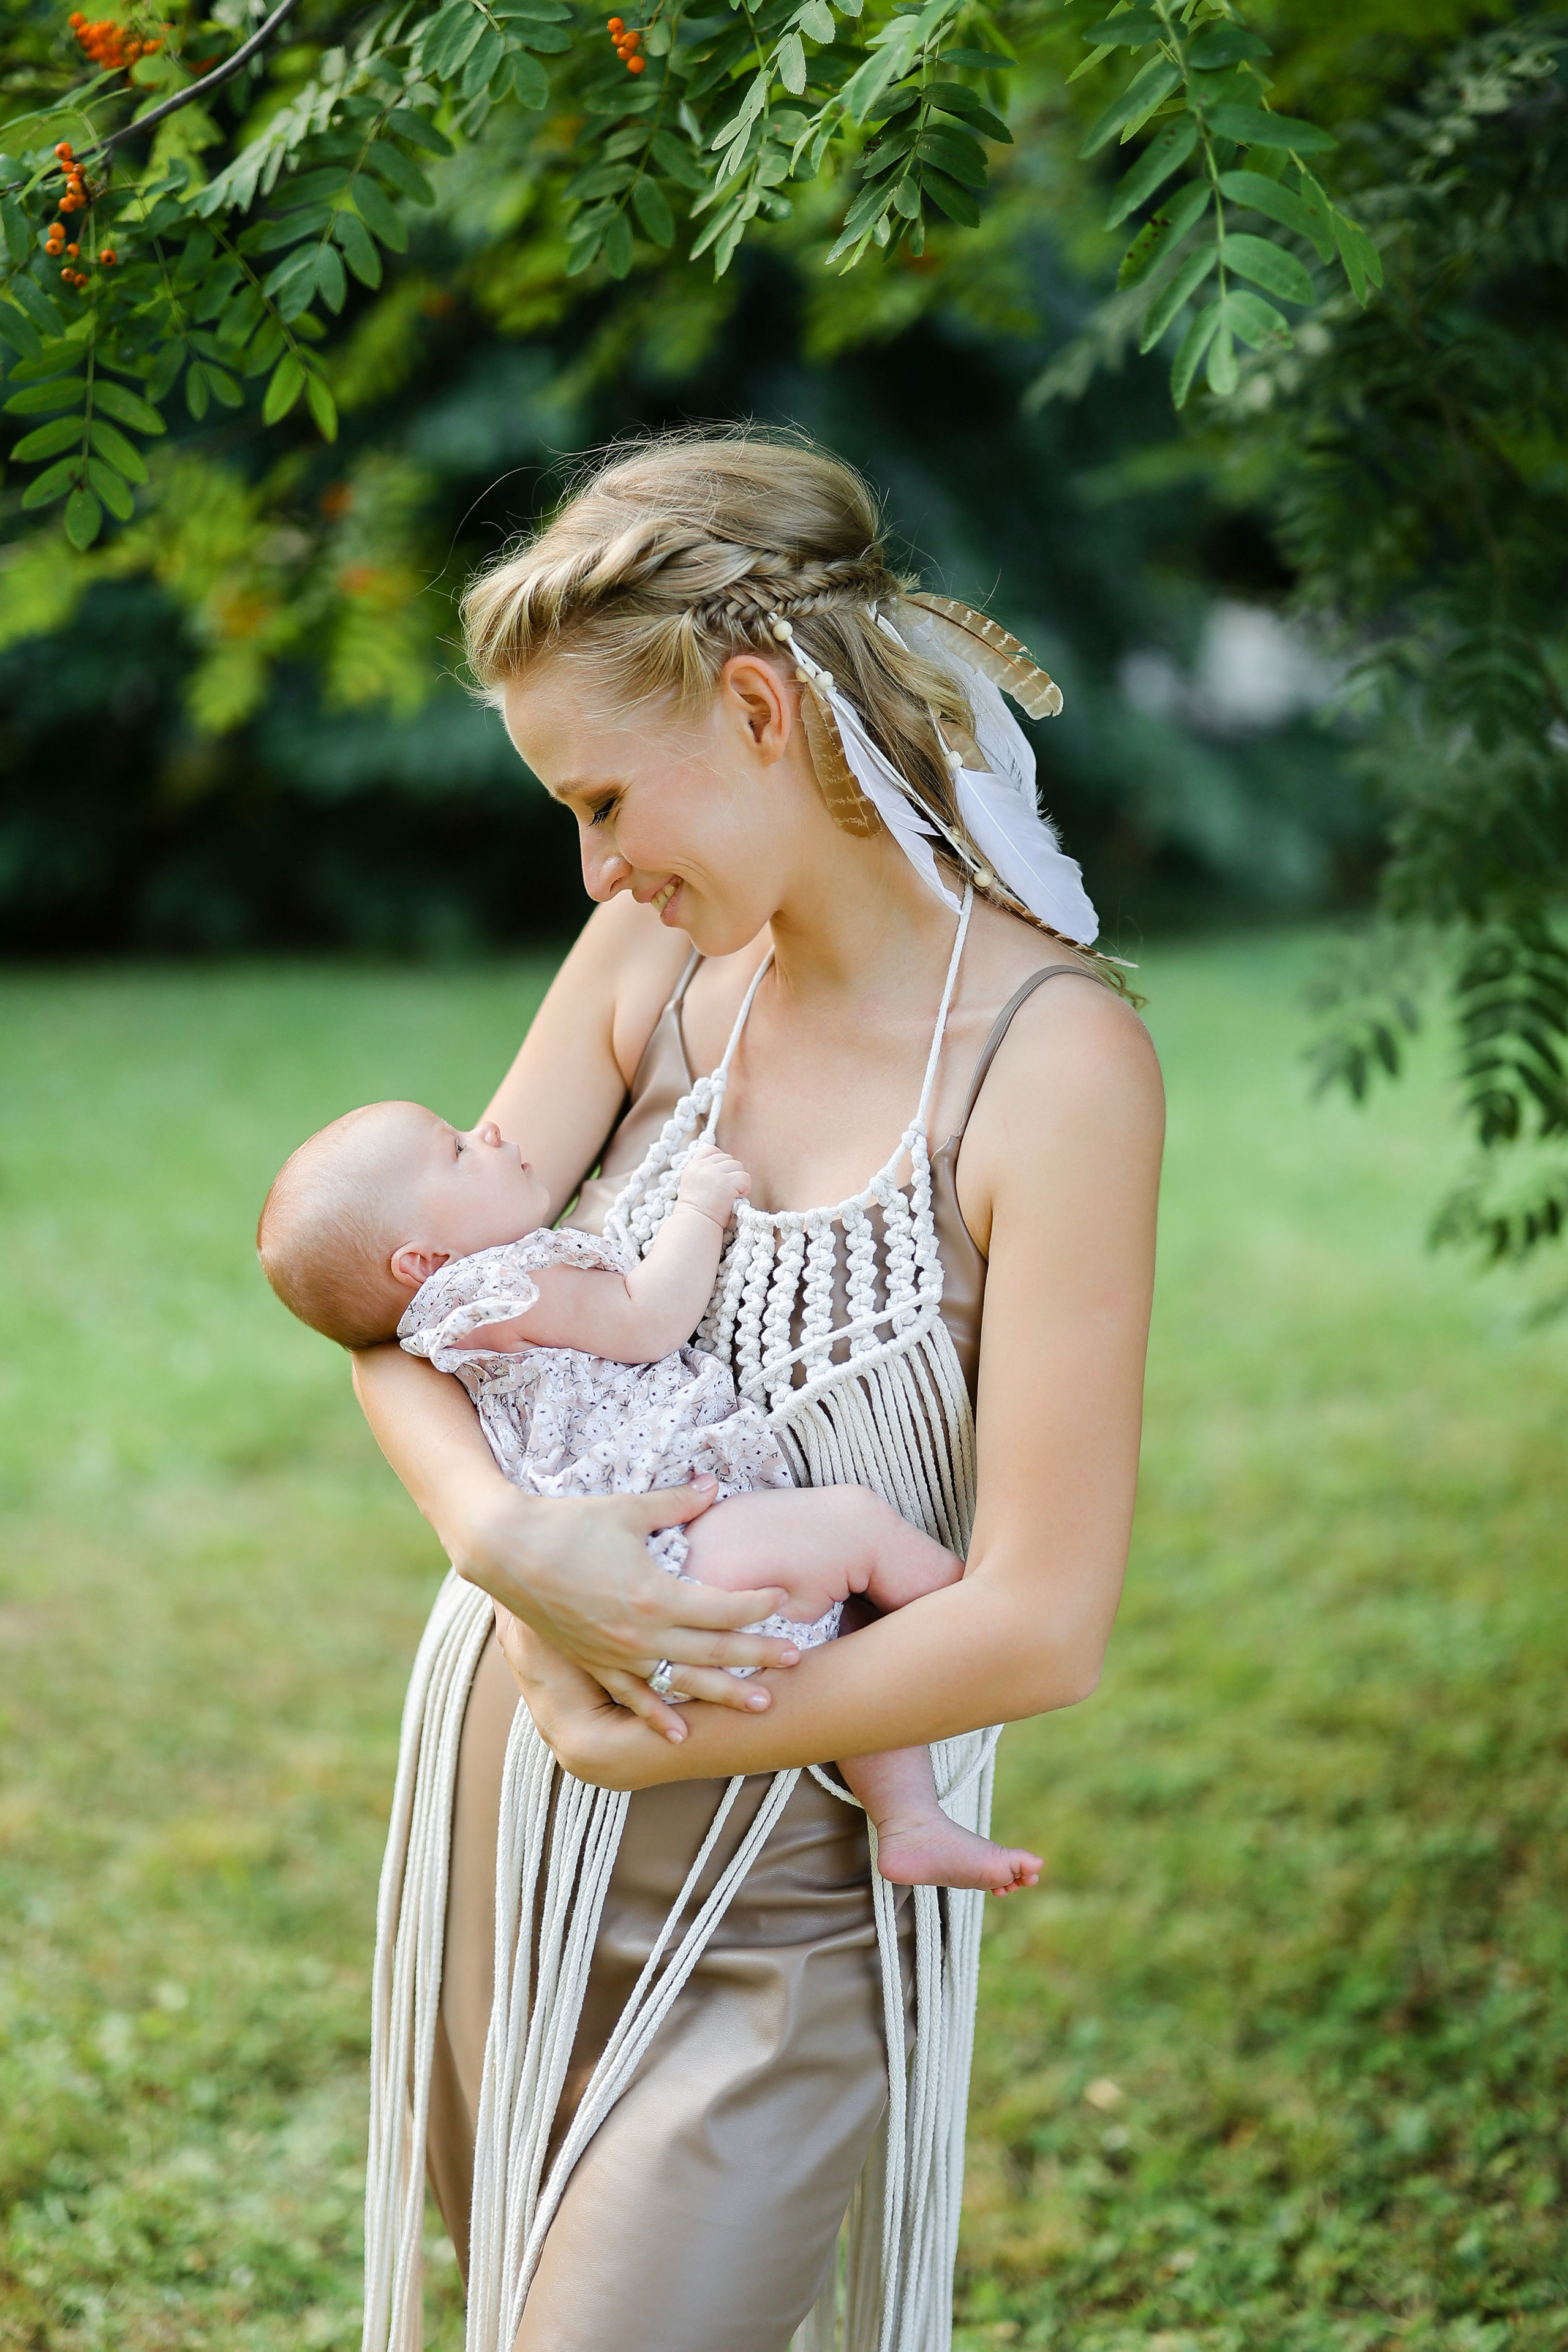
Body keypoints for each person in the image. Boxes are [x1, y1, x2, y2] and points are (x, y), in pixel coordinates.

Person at [351, 429, 1163, 2352]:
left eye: (606, 795)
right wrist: (511, 1546)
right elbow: (399, 1311)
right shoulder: (651, 961)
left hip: (784, 1904)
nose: (595, 861)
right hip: (511, 1827)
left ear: (756, 705)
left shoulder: (1056, 1069)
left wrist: (659, 1739)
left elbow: (1043, 1626)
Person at [255, 1098, 1043, 1893]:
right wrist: (698, 1207)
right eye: (456, 1150)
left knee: (848, 1625)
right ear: (421, 1262)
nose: (489, 1130)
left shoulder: (443, 1329)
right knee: (855, 1531)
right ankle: (971, 1624)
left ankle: (910, 1824)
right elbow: (645, 1321)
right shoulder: (503, 1287)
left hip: (639, 1564)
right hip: (667, 1554)